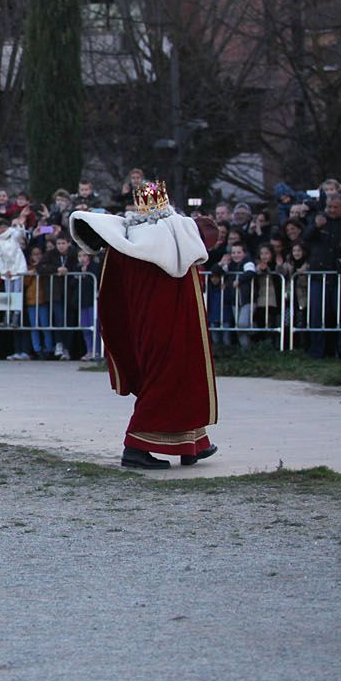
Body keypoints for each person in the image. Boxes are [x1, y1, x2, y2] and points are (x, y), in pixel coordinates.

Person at [70, 180, 220, 470]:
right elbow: (207, 234)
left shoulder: (126, 241)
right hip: (173, 325)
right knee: (168, 379)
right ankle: (136, 446)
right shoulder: (179, 234)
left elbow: (112, 291)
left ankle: (192, 443)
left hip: (144, 325)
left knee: (179, 378)